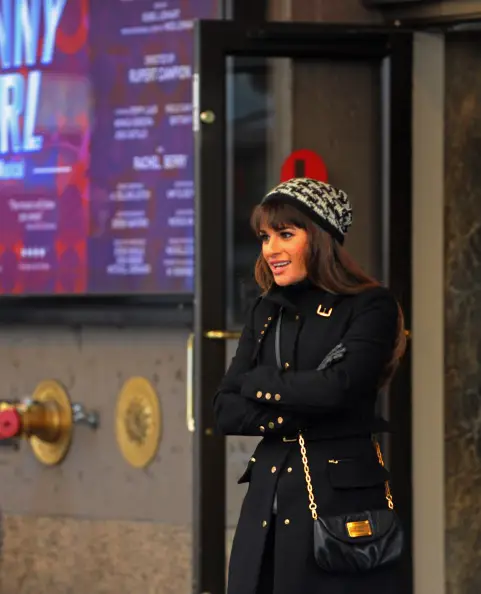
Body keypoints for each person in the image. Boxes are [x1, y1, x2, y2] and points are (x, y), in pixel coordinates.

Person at [213, 177, 407, 594]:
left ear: (319, 238)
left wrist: (259, 383)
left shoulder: (370, 305)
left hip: (340, 509)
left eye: (285, 234)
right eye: (266, 237)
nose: (271, 249)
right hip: (266, 504)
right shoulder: (266, 310)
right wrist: (305, 404)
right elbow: (225, 409)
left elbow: (339, 389)